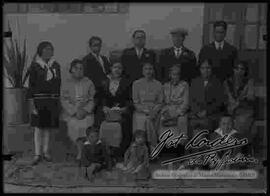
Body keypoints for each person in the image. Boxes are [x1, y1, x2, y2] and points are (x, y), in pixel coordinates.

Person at [28, 41, 61, 165]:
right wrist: (32, 104)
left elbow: (58, 84)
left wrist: (58, 100)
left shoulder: (55, 65)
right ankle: (37, 153)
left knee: (48, 127)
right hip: (39, 100)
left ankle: (46, 152)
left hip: (52, 100)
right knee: (38, 127)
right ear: (40, 51)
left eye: (51, 49)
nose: (48, 52)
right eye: (46, 49)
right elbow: (30, 86)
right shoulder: (35, 66)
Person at [61, 59, 95, 161]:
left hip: (86, 112)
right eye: (76, 68)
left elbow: (92, 99)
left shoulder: (88, 82)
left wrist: (85, 110)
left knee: (87, 124)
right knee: (74, 125)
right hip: (72, 113)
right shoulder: (66, 83)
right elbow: (64, 100)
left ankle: (86, 152)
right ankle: (80, 152)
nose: (79, 70)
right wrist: (75, 112)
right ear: (71, 69)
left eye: (81, 68)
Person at [99, 61, 133, 162]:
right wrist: (104, 107)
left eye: (119, 68)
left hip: (122, 111)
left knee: (124, 124)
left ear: (122, 70)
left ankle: (119, 153)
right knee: (102, 123)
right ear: (111, 69)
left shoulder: (127, 82)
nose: (117, 70)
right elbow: (100, 98)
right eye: (115, 67)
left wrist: (124, 109)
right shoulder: (104, 82)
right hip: (107, 111)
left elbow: (130, 100)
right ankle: (105, 151)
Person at [223, 61, 255, 155]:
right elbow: (227, 98)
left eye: (242, 69)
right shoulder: (227, 82)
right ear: (233, 70)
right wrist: (232, 105)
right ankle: (229, 155)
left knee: (239, 125)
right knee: (226, 124)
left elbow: (251, 96)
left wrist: (239, 102)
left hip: (244, 111)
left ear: (245, 71)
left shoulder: (249, 81)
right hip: (231, 110)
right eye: (237, 69)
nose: (239, 71)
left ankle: (237, 155)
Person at [189, 59, 226, 138]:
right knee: (197, 134)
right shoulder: (195, 81)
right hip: (197, 115)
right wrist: (197, 111)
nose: (206, 70)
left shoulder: (217, 82)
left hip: (212, 115)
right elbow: (191, 100)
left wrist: (207, 111)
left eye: (208, 68)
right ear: (200, 69)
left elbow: (219, 102)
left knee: (204, 126)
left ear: (211, 69)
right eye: (203, 68)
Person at [132, 62, 163, 151]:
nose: (148, 71)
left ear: (153, 71)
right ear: (142, 71)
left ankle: (146, 149)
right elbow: (136, 102)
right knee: (147, 120)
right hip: (141, 111)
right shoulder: (136, 84)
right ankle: (153, 147)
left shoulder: (158, 84)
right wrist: (147, 111)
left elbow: (160, 102)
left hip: (155, 111)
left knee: (149, 119)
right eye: (146, 69)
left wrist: (154, 111)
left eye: (150, 69)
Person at [159, 65, 189, 156]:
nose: (175, 76)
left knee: (182, 120)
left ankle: (180, 149)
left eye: (177, 74)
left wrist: (176, 113)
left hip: (180, 110)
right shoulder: (165, 85)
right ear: (170, 75)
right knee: (160, 119)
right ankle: (165, 149)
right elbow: (162, 101)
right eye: (173, 74)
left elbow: (186, 102)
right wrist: (165, 111)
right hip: (167, 109)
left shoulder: (184, 85)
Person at [82, 36, 111, 128]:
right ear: (90, 47)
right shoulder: (86, 60)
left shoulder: (104, 59)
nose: (97, 47)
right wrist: (100, 83)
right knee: (96, 117)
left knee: (105, 116)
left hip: (106, 91)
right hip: (95, 92)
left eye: (99, 45)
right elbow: (87, 77)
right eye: (95, 45)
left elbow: (108, 72)